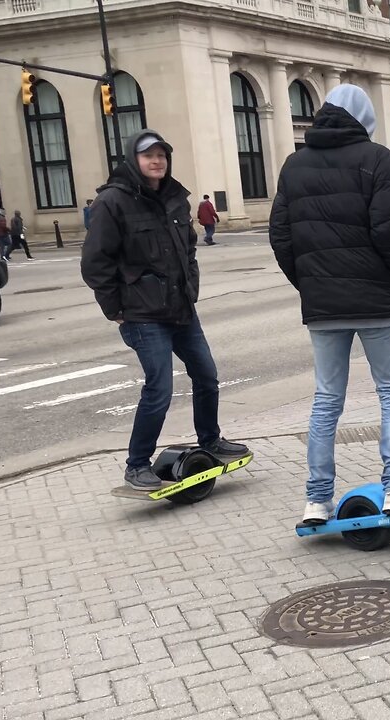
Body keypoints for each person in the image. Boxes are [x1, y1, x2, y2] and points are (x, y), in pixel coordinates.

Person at [269, 84, 390, 524]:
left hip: (323, 303)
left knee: (326, 399)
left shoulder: (293, 165)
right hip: (374, 298)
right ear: (363, 117)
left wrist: (309, 283)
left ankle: (317, 500)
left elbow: (281, 236)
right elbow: (389, 231)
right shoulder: (378, 159)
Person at [81, 129, 250, 490]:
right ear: (133, 160)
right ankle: (137, 465)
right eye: (148, 155)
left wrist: (191, 285)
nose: (157, 161)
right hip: (141, 313)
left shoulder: (176, 198)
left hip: (180, 307)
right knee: (159, 388)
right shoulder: (113, 202)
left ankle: (211, 440)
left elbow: (188, 248)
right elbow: (95, 262)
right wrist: (114, 308)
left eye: (161, 155)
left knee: (206, 375)